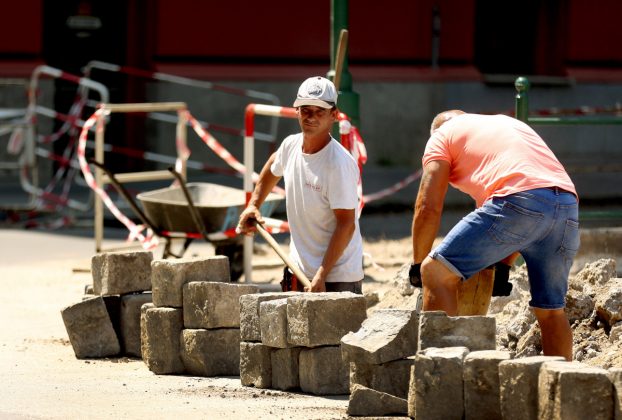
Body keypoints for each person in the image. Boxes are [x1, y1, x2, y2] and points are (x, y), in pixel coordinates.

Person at [410, 110, 579, 361]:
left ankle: (441, 379)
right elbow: (514, 220)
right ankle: (561, 390)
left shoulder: (441, 135)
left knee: (434, 272)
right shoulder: (504, 125)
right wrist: (503, 266)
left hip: (517, 198)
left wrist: (418, 264)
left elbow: (428, 207)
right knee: (551, 310)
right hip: (566, 205)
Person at [237, 76, 364, 294]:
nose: (311, 117)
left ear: (334, 115)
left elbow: (346, 224)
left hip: (336, 276)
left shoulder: (338, 165)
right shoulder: (290, 146)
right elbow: (271, 168)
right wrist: (254, 205)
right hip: (299, 268)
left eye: (319, 111)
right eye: (305, 110)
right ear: (297, 111)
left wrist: (321, 275)